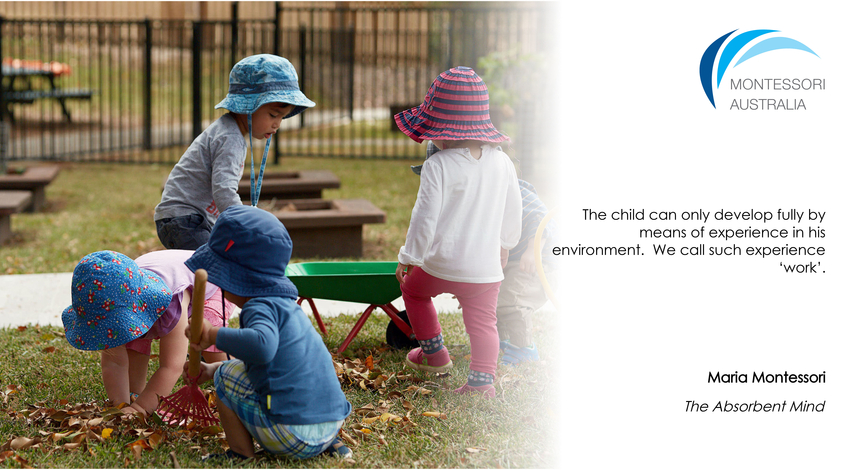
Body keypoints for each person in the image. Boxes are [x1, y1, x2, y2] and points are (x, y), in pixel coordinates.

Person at [183, 205, 352, 461]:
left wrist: (212, 334)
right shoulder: (286, 309)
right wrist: (210, 369)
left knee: (227, 378)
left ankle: (240, 454)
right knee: (228, 370)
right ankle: (328, 443)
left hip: (293, 437)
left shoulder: (257, 306)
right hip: (329, 426)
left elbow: (261, 348)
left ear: (237, 277)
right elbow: (266, 362)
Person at [394, 66, 522, 398]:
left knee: (415, 292)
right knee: (483, 324)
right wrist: (506, 244)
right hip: (485, 269)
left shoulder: (437, 166)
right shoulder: (503, 163)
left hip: (440, 264)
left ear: (442, 130)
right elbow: (513, 209)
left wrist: (409, 258)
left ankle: (435, 355)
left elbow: (424, 219)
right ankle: (482, 382)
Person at [413, 142, 556, 365]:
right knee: (493, 304)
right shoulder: (472, 198)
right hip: (504, 257)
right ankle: (504, 342)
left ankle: (524, 348)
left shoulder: (511, 188)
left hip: (535, 257)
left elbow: (540, 215)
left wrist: (531, 250)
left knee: (512, 302)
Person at [155, 54, 315, 250]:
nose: (277, 124)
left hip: (185, 219)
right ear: (248, 106)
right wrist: (246, 224)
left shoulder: (229, 131)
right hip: (186, 220)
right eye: (273, 115)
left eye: (282, 117)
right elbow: (224, 190)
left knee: (217, 264)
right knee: (212, 268)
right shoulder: (230, 137)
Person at [61, 249, 235, 417]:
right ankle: (134, 395)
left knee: (215, 354)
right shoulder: (115, 297)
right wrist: (121, 407)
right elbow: (113, 361)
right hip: (145, 285)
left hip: (212, 283)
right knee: (132, 354)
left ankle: (245, 378)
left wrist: (141, 408)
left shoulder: (172, 305)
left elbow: (172, 366)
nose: (111, 332)